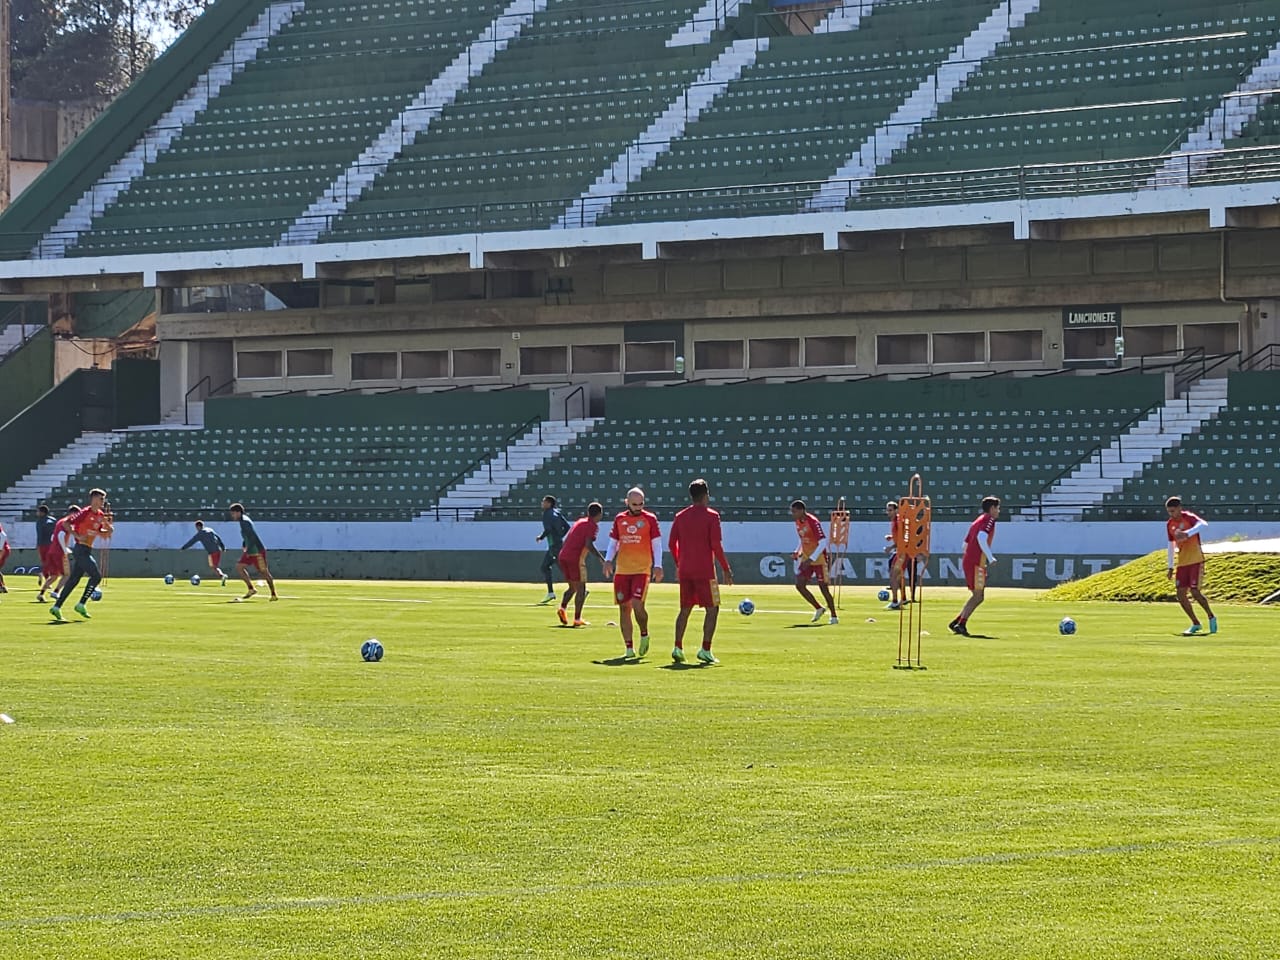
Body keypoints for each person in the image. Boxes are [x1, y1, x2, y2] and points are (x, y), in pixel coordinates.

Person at [669, 478, 733, 664]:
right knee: (712, 609)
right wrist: (726, 568)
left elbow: (671, 544)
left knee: (685, 609)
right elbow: (716, 545)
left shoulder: (680, 516)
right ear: (706, 495)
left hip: (686, 570)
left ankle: (677, 647)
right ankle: (705, 649)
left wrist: (679, 563)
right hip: (705, 572)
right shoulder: (712, 516)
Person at [601, 486, 663, 660]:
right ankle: (629, 648)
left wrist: (658, 565)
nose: (638, 507)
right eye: (635, 504)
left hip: (642, 570)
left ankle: (644, 633)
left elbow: (657, 544)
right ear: (627, 502)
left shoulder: (650, 519)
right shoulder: (619, 519)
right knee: (624, 608)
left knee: (637, 604)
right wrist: (608, 560)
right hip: (622, 570)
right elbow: (614, 543)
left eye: (641, 504)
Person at [50, 489, 113, 622]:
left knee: (73, 580)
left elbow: (99, 531)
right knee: (96, 576)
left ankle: (56, 607)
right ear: (94, 499)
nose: (103, 502)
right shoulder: (84, 512)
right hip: (80, 549)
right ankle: (81, 604)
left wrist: (108, 529)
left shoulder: (100, 515)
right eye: (101, 499)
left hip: (87, 549)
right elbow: (67, 523)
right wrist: (77, 536)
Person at [1165, 495, 1217, 636]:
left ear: (1179, 508)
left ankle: (1211, 616)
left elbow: (1203, 524)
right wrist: (1170, 566)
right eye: (1169, 512)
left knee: (1195, 592)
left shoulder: (1188, 518)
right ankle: (1195, 623)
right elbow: (1170, 545)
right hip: (1182, 563)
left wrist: (1187, 533)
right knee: (1181, 595)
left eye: (1173, 511)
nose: (1171, 514)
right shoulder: (1170, 524)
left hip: (1195, 560)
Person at [950, 496, 1000, 637]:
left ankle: (957, 621)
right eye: (997, 508)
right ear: (992, 508)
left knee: (977, 595)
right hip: (976, 562)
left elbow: (964, 545)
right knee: (978, 596)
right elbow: (981, 537)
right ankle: (961, 623)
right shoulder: (989, 520)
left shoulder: (977, 521)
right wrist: (989, 557)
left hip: (970, 561)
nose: (998, 511)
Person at [556, 502, 605, 627]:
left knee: (573, 587)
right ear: (599, 514)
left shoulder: (580, 521)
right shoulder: (592, 525)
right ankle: (577, 619)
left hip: (563, 556)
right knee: (581, 589)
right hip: (575, 558)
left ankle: (562, 608)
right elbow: (588, 544)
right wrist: (600, 558)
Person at [791, 499, 837, 625]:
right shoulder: (798, 522)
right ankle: (818, 608)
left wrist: (812, 558)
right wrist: (797, 551)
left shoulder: (813, 522)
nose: (793, 514)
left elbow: (822, 542)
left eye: (794, 511)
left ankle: (834, 616)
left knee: (823, 588)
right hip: (806, 557)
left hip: (819, 558)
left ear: (801, 510)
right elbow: (802, 539)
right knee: (800, 585)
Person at [229, 503, 278, 601]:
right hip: (250, 550)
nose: (232, 516)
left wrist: (248, 549)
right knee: (239, 567)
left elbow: (252, 536)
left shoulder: (245, 522)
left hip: (257, 551)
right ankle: (251, 589)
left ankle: (274, 594)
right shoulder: (243, 521)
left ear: (238, 512)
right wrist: (244, 543)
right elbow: (247, 536)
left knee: (264, 572)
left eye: (233, 513)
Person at [536, 495, 571, 604]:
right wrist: (559, 536)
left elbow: (548, 529)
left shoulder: (547, 514)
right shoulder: (557, 513)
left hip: (554, 546)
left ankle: (579, 588)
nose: (542, 503)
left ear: (549, 503)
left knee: (561, 568)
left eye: (544, 501)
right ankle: (551, 593)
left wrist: (541, 537)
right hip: (557, 544)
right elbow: (567, 527)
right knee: (546, 567)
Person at [180, 519, 229, 585]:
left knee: (214, 567)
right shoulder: (210, 530)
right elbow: (218, 538)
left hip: (212, 552)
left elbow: (192, 541)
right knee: (214, 566)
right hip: (218, 550)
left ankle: (222, 575)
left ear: (198, 527)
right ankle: (222, 577)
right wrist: (223, 547)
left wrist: (183, 548)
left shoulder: (200, 534)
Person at [49, 504, 79, 600]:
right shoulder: (67, 523)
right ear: (73, 513)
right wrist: (64, 548)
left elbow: (52, 537)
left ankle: (42, 592)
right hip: (60, 552)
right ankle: (56, 592)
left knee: (56, 574)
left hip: (53, 550)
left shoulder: (60, 521)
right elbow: (61, 535)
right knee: (67, 575)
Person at [34, 504, 61, 603]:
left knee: (46, 564)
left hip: (43, 545)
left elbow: (40, 535)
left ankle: (44, 575)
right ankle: (46, 582)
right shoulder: (53, 521)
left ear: (42, 512)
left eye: (38, 511)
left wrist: (38, 545)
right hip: (52, 545)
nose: (37, 513)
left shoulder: (40, 522)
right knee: (55, 571)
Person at [884, 499, 904, 609]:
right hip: (900, 551)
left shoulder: (898, 521)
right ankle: (902, 598)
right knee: (898, 576)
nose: (888, 512)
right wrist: (891, 537)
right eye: (887, 510)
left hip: (902, 552)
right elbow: (898, 536)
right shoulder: (894, 521)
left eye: (890, 510)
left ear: (896, 510)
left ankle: (895, 601)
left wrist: (890, 548)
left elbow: (902, 538)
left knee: (893, 576)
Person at [0, 520, 9, 596]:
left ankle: (2, 587)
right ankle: (2, 586)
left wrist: (0, 550)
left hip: (2, 549)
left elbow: (3, 535)